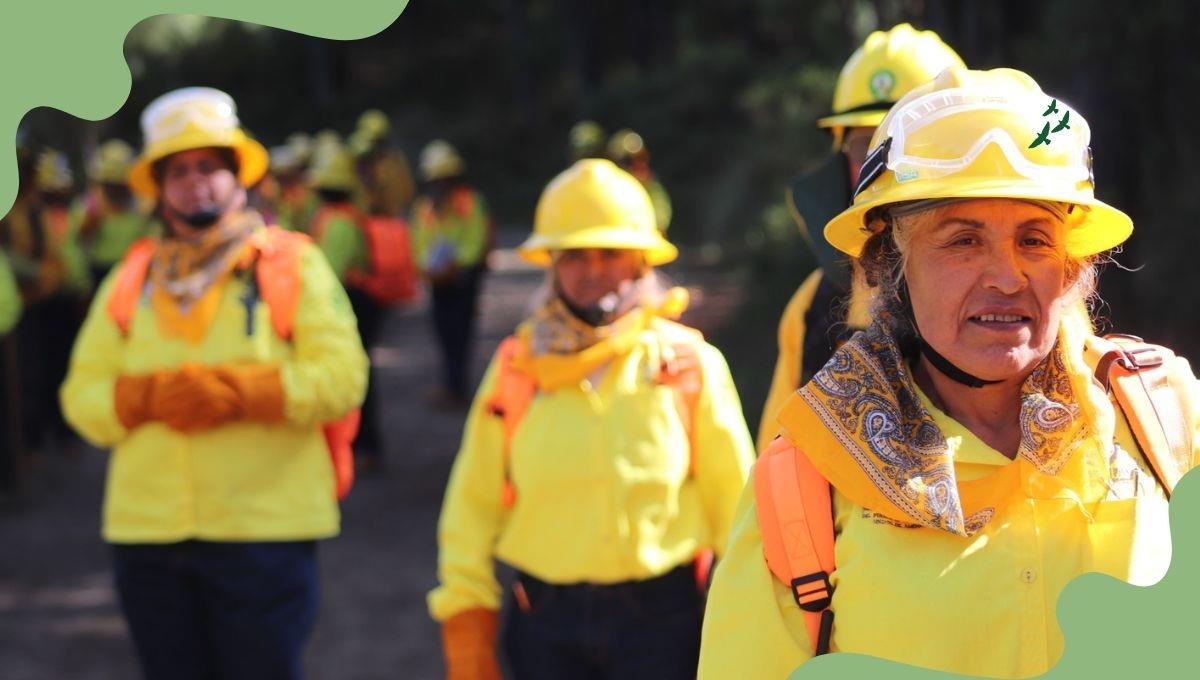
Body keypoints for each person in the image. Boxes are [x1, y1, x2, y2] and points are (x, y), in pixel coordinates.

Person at [698, 67, 1200, 679]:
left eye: (1035, 240)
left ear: (1070, 269)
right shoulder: (808, 478)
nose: (1007, 276)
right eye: (963, 240)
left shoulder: (1161, 416)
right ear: (889, 263)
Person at [60, 86, 368, 680]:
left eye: (209, 166)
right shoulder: (133, 277)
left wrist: (246, 394)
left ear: (236, 176)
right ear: (159, 185)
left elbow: (343, 378)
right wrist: (139, 398)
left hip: (263, 537)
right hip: (147, 537)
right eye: (178, 170)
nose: (195, 181)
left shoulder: (291, 262)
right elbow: (81, 396)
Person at [431, 158, 755, 680]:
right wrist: (467, 625)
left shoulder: (688, 364)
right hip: (544, 626)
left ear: (641, 263)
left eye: (611, 253)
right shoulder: (518, 367)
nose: (592, 270)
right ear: (553, 264)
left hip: (663, 624)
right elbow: (471, 506)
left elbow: (739, 510)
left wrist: (747, 623)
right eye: (575, 255)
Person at [758, 23, 964, 452]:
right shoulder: (811, 308)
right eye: (865, 148)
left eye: (910, 144)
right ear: (841, 162)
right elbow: (773, 468)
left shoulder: (1021, 295)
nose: (885, 167)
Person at [412, 140, 491, 405]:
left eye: (443, 179)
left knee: (460, 331)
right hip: (438, 281)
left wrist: (454, 266)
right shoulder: (425, 208)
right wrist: (428, 270)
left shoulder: (469, 202)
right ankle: (451, 384)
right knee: (443, 331)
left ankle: (456, 387)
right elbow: (420, 241)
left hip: (462, 279)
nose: (438, 185)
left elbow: (475, 240)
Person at [76, 139, 157, 284]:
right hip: (99, 268)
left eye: (119, 185)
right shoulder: (91, 204)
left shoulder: (142, 203)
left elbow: (152, 238)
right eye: (109, 184)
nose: (115, 190)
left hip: (133, 268)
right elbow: (78, 239)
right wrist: (93, 218)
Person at [607, 129, 671, 234]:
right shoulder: (604, 189)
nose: (639, 164)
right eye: (629, 161)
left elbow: (660, 220)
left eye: (641, 158)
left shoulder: (651, 187)